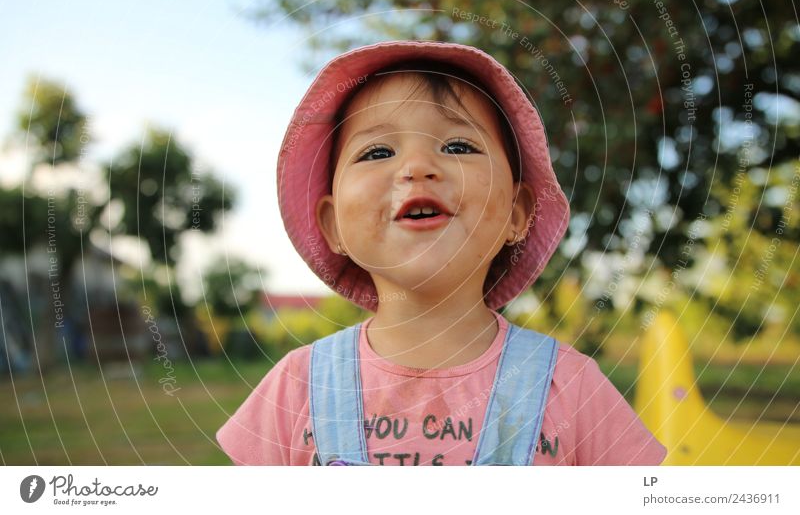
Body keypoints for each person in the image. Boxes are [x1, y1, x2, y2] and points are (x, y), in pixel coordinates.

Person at [216, 41, 667, 466]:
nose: (417, 168)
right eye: (377, 152)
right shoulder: (296, 388)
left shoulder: (572, 388)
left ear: (517, 213)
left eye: (457, 146)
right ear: (333, 225)